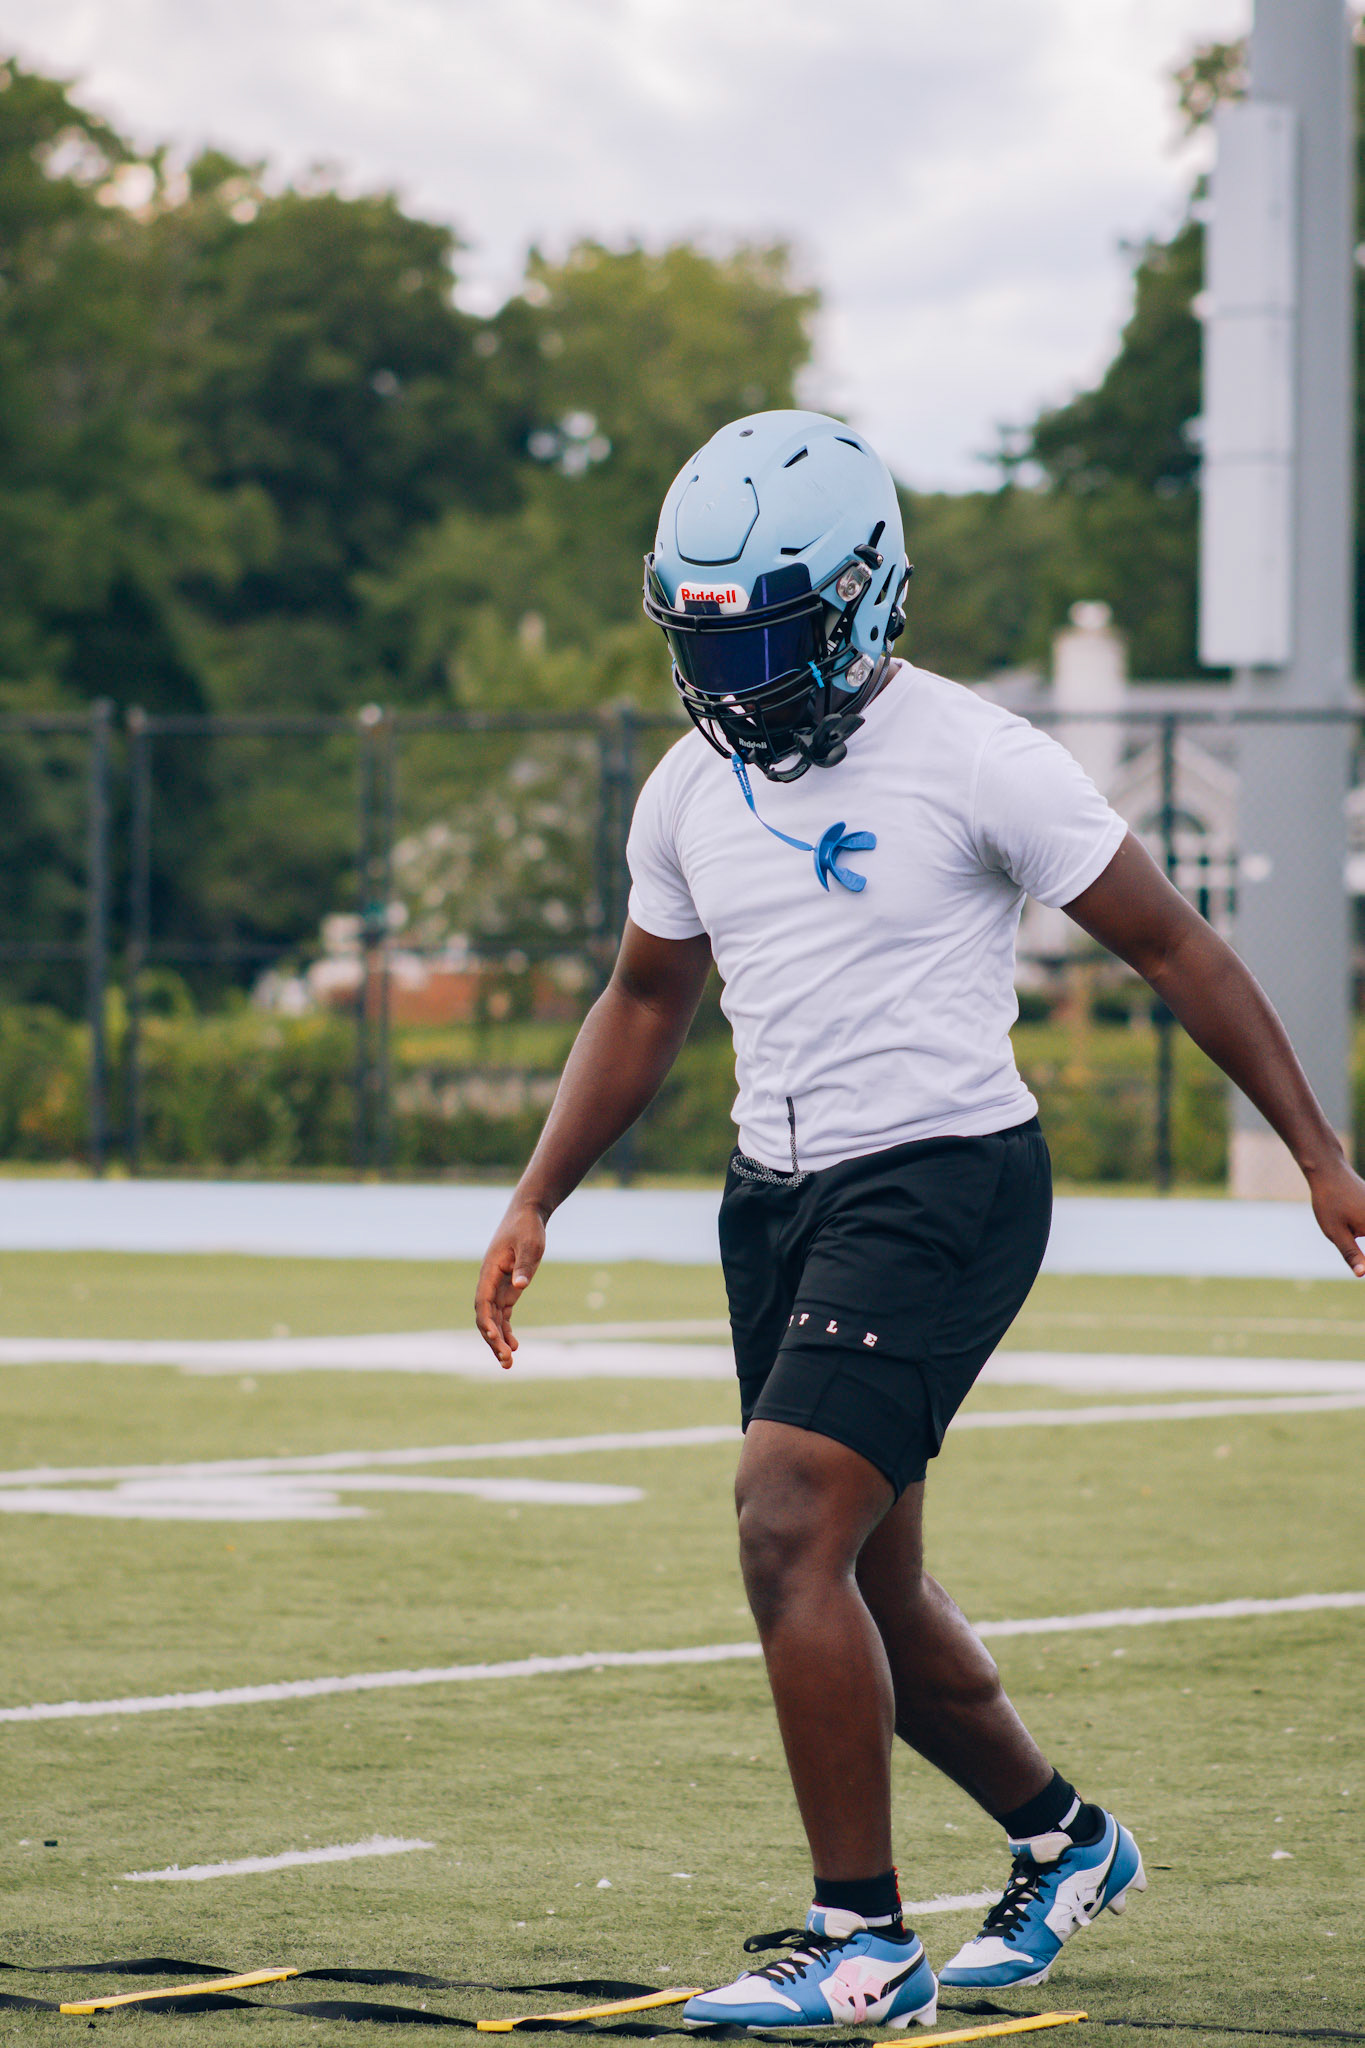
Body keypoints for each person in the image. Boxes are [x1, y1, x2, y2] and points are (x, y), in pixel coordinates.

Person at [475, 410, 1365, 2031]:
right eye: (707, 644)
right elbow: (645, 998)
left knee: (782, 1524)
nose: (736, 683)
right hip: (774, 1201)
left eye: (768, 641)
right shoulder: (685, 787)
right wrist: (539, 1191)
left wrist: (1315, 1152)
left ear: (865, 599)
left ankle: (863, 1942)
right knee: (867, 1586)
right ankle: (1064, 1837)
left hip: (942, 1180)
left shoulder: (980, 757)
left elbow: (1175, 947)